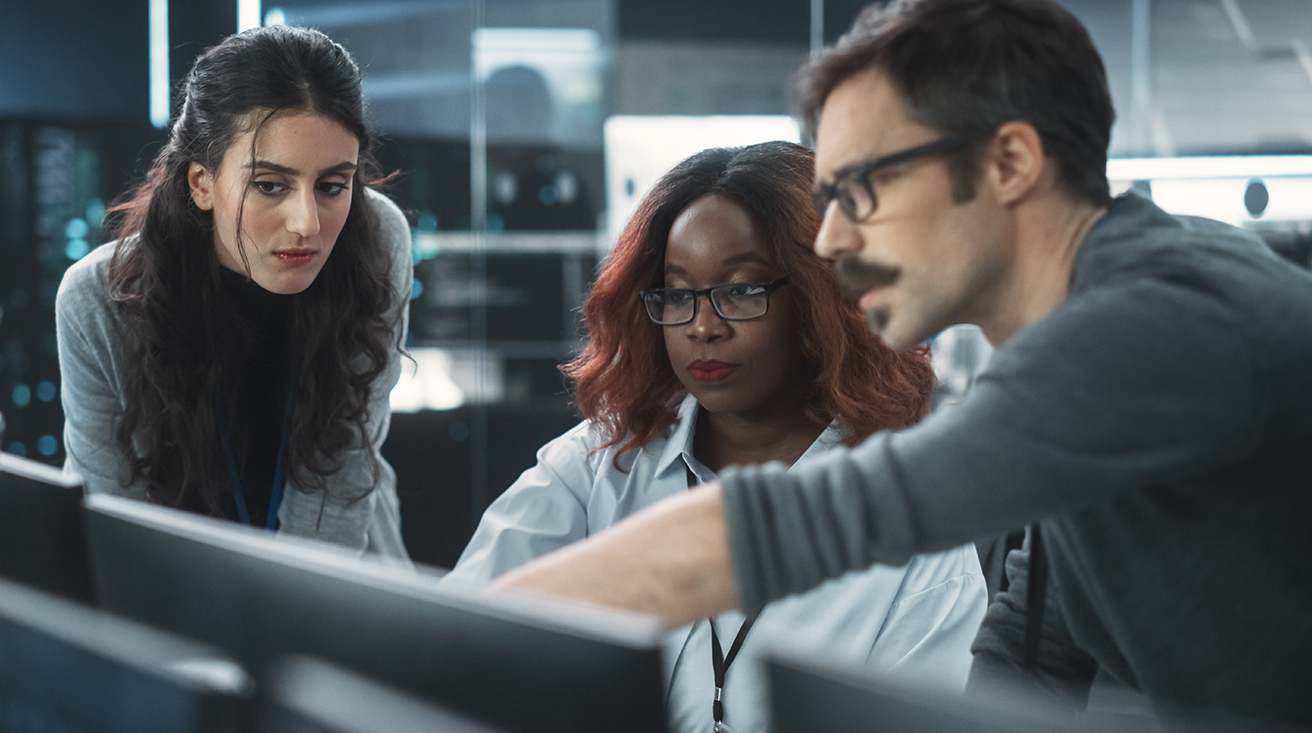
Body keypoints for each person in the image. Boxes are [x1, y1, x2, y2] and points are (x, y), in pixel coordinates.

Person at [491, 0, 1312, 728]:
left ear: (1010, 164)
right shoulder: (1103, 350)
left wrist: (453, 652)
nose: (836, 240)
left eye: (864, 190)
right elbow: (1031, 658)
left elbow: (800, 528)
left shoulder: (1155, 326)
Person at [445, 142, 986, 733]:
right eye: (677, 294)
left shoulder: (916, 533)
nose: (703, 326)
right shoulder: (599, 465)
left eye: (742, 289)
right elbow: (447, 650)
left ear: (824, 297)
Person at [56, 25, 410, 558]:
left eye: (333, 186)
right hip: (164, 591)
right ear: (201, 182)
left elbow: (340, 476)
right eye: (269, 185)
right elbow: (115, 525)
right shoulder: (98, 301)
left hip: (340, 582)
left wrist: (289, 621)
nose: (307, 223)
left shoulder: (375, 239)